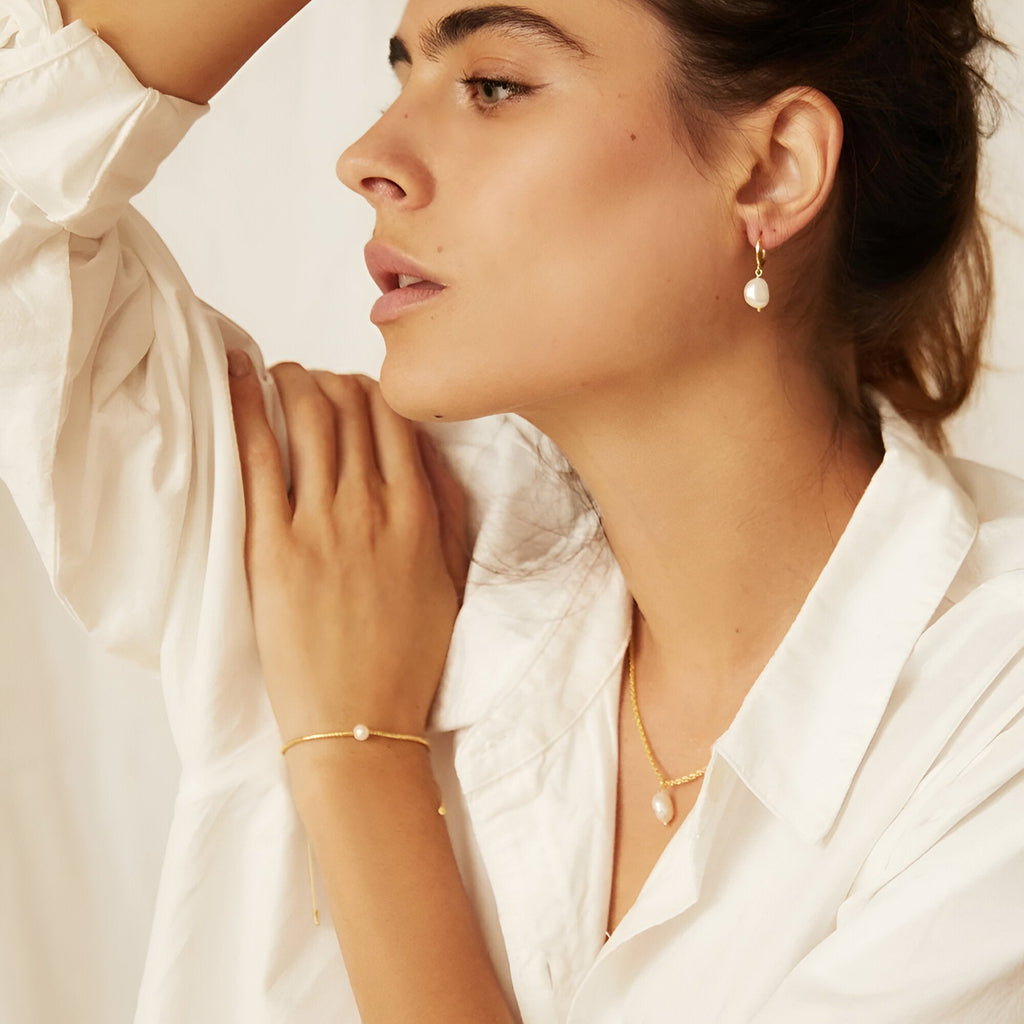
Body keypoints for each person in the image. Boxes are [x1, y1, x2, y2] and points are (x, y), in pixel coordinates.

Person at [2, 0, 1023, 1022]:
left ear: (772, 168)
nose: (367, 157)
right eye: (400, 72)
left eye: (494, 86)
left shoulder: (990, 714)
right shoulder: (359, 527)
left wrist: (359, 755)